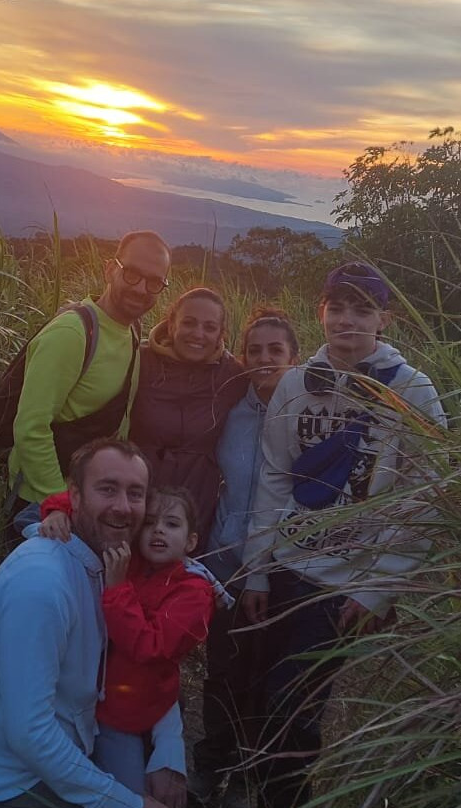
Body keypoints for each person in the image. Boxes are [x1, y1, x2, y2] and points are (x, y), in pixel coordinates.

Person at [242, 262, 447, 808]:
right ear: (321, 312)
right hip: (287, 563)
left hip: (343, 583)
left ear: (386, 318)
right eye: (338, 308)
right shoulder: (295, 384)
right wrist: (257, 569)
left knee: (293, 703)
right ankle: (257, 786)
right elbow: (273, 477)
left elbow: (423, 496)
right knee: (263, 690)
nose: (348, 321)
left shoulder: (412, 391)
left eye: (363, 310)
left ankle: (282, 798)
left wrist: (377, 589)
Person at [0, 438, 184, 808]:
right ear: (75, 496)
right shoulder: (42, 582)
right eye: (107, 489)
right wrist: (128, 803)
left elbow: (150, 661)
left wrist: (169, 750)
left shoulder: (113, 566)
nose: (122, 507)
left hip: (61, 752)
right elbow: (29, 733)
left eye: (136, 493)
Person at [39, 487, 232, 795]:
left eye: (171, 524)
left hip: (123, 716)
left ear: (191, 541)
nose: (158, 530)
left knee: (125, 793)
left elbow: (150, 647)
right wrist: (58, 511)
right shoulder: (136, 560)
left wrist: (116, 590)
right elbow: (96, 503)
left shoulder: (195, 594)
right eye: (150, 522)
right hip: (87, 702)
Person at [189, 309, 300, 808]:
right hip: (225, 561)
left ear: (293, 357)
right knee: (223, 670)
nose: (263, 359)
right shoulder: (229, 408)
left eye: (275, 350)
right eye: (254, 349)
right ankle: (212, 761)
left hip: (282, 567)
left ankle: (248, 772)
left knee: (266, 673)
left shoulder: (307, 413)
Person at [8, 231, 171, 516]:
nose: (142, 288)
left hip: (89, 501)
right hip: (42, 504)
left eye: (155, 282)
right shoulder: (72, 334)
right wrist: (60, 502)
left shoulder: (131, 330)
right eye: (132, 273)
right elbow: (31, 427)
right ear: (110, 270)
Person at [129, 288, 247, 544]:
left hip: (195, 504)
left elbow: (271, 386)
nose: (198, 334)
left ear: (220, 335)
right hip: (139, 495)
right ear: (171, 324)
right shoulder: (139, 360)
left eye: (210, 327)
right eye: (189, 323)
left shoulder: (233, 376)